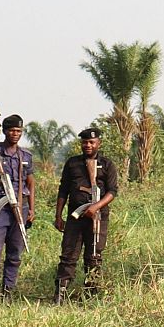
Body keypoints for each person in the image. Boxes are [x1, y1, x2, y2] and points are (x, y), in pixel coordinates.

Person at [53, 124, 118, 303]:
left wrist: (96, 207)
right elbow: (63, 190)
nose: (88, 145)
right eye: (84, 142)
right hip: (75, 217)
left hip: (98, 218)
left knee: (94, 256)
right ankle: (60, 294)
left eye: (91, 142)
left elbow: (112, 191)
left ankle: (91, 295)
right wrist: (58, 216)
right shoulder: (72, 163)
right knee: (68, 255)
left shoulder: (107, 164)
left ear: (99, 143)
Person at [0, 115, 34, 296]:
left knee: (15, 253)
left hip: (21, 206)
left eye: (19, 131)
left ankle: (8, 290)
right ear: (4, 131)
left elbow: (30, 183)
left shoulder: (25, 155)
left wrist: (31, 210)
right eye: (12, 130)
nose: (15, 134)